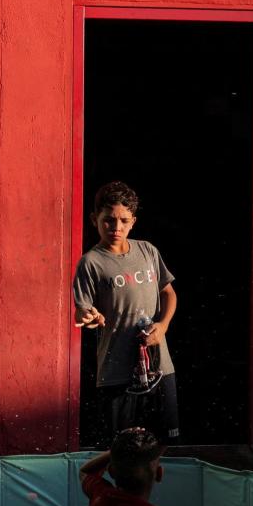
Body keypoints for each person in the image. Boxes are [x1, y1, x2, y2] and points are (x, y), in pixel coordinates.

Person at [73, 181, 180, 444]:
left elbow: (169, 293)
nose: (116, 227)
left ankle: (155, 484)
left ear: (133, 221)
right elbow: (81, 311)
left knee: (164, 441)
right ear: (94, 219)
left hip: (159, 366)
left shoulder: (147, 251)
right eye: (108, 220)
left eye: (123, 220)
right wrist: (90, 317)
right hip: (117, 372)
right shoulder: (91, 263)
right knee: (122, 446)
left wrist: (163, 326)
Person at [78, 426, 175, 506]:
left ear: (110, 471)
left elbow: (85, 472)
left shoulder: (100, 495)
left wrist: (119, 451)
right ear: (159, 474)